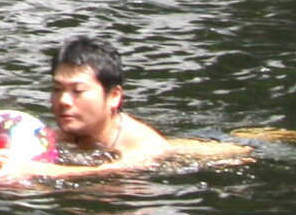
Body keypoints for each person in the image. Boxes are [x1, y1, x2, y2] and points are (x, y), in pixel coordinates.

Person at [22, 36, 250, 177]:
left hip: (236, 151)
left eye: (78, 91)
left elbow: (105, 171)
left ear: (114, 96)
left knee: (243, 144)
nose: (63, 100)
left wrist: (43, 171)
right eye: (57, 89)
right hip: (184, 141)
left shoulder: (142, 145)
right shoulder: (71, 132)